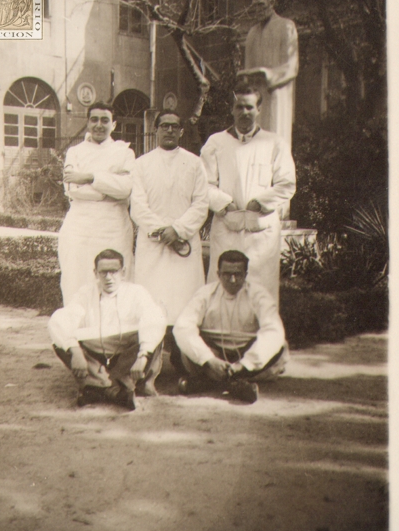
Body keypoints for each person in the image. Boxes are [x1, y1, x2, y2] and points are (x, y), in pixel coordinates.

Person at [200, 83, 296, 304]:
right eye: (240, 107)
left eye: (250, 107)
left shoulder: (274, 143)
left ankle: (261, 336)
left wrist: (260, 203)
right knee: (222, 286)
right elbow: (203, 184)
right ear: (232, 109)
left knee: (261, 289)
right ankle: (222, 335)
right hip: (227, 227)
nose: (244, 112)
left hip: (260, 231)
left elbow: (287, 184)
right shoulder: (216, 143)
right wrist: (225, 203)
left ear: (258, 110)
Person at [130, 110, 209, 367]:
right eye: (164, 126)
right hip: (153, 247)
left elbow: (201, 204)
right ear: (156, 130)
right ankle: (151, 358)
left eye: (175, 127)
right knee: (152, 302)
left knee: (184, 301)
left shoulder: (195, 163)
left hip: (184, 245)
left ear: (182, 131)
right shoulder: (141, 164)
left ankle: (183, 357)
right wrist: (164, 232)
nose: (169, 131)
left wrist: (179, 230)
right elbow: (138, 207)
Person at [48, 249, 167, 410]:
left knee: (153, 337)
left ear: (123, 272)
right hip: (98, 354)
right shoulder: (86, 292)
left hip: (127, 355)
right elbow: (62, 318)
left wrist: (143, 356)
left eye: (114, 271)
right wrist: (74, 350)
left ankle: (98, 387)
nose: (108, 277)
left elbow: (153, 318)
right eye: (103, 272)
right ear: (95, 273)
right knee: (61, 341)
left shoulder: (136, 292)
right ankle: (118, 391)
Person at [173, 250, 286, 404]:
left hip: (245, 352)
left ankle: (209, 381)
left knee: (278, 347)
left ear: (246, 274)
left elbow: (273, 331)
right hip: (213, 351)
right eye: (226, 274)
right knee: (179, 346)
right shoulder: (206, 293)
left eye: (238, 274)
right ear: (218, 274)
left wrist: (243, 364)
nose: (232, 280)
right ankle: (236, 384)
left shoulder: (259, 294)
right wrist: (210, 360)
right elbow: (183, 327)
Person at [58, 102, 135, 304]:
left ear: (114, 125)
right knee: (77, 276)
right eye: (94, 119)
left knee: (115, 277)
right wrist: (106, 190)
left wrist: (90, 177)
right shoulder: (74, 152)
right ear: (87, 123)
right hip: (80, 226)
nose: (99, 125)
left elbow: (125, 188)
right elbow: (72, 189)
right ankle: (78, 329)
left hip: (113, 226)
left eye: (105, 120)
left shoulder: (124, 152)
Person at [237, 0, 299, 149]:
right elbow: (248, 68)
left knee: (274, 139)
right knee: (254, 143)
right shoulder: (252, 33)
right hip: (255, 98)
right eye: (254, 6)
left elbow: (292, 66)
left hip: (275, 94)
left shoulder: (286, 26)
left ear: (271, 3)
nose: (257, 10)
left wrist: (270, 75)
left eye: (261, 5)